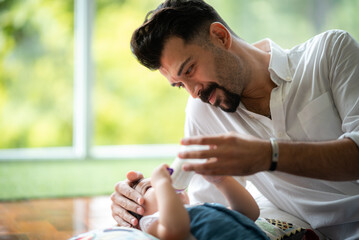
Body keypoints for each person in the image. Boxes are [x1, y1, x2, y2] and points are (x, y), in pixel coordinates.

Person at [111, 0, 359, 239]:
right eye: (179, 84)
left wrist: (267, 155)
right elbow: (210, 214)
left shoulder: (329, 52)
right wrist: (146, 202)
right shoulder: (202, 110)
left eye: (189, 70)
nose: (193, 92)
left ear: (220, 36)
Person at [132, 163, 269, 240]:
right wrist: (161, 183)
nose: (167, 184)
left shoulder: (202, 210)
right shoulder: (151, 225)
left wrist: (221, 180)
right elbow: (175, 230)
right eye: (150, 187)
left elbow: (249, 213)